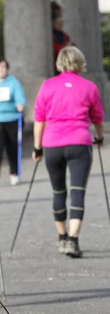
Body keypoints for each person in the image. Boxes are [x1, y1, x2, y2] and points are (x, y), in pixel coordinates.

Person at [32, 46, 104, 257]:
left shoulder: (48, 85)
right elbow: (97, 118)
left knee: (58, 191)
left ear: (59, 63)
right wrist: (99, 137)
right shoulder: (89, 87)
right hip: (79, 143)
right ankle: (73, 240)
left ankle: (62, 236)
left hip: (52, 143)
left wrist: (37, 147)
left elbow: (39, 120)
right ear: (80, 63)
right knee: (77, 191)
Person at [0, 58, 26, 186]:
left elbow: (20, 97)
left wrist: (20, 104)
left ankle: (14, 173)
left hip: (12, 119)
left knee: (12, 147)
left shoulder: (13, 82)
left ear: (7, 68)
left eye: (3, 66)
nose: (0, 69)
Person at [51, 1, 72, 74]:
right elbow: (53, 48)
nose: (60, 25)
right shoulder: (52, 35)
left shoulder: (64, 35)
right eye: (58, 23)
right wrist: (65, 47)